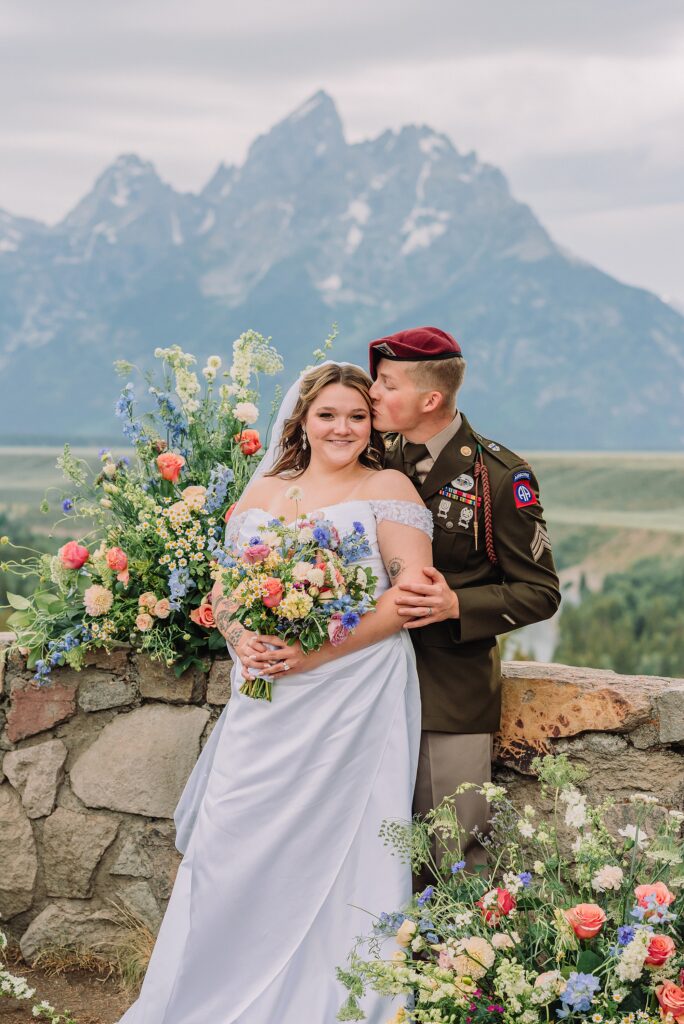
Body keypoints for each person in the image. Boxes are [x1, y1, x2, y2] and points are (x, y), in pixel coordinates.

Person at [117, 362, 434, 1024]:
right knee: (231, 835)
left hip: (355, 691)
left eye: (356, 415)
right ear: (303, 420)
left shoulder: (388, 487)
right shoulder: (265, 492)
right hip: (266, 696)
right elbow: (225, 590)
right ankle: (202, 992)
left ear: (372, 423)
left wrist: (312, 651)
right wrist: (240, 639)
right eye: (328, 415)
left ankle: (339, 998)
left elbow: (409, 599)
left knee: (350, 842)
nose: (342, 427)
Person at [368, 326, 561, 875]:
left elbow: (541, 591)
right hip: (360, 681)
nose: (372, 394)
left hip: (447, 693)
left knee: (454, 856)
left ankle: (453, 960)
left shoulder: (500, 477)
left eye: (386, 384)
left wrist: (457, 605)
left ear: (431, 399)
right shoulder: (368, 455)